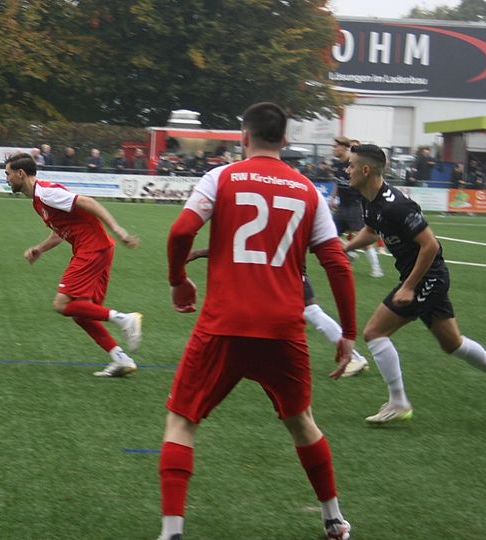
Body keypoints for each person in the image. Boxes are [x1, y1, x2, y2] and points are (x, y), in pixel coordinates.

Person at [159, 102, 356, 540]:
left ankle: (172, 532)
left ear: (243, 137)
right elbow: (337, 265)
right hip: (282, 327)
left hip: (223, 323)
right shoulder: (308, 191)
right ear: (284, 141)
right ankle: (333, 519)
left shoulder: (221, 177)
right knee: (301, 421)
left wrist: (179, 281)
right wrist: (347, 333)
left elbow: (179, 232)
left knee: (182, 421)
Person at [342, 144, 486, 425]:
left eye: (351, 165)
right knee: (452, 343)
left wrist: (409, 286)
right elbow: (371, 228)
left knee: (374, 332)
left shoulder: (397, 206)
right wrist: (348, 247)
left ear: (366, 170)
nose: (347, 170)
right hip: (423, 277)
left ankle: (398, 403)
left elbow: (430, 245)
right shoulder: (370, 199)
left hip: (428, 278)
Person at [3, 152, 143, 378]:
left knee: (61, 304)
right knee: (82, 313)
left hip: (93, 249)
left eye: (8, 174)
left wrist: (118, 229)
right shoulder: (38, 201)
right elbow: (59, 234)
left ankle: (126, 319)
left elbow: (88, 202)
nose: (7, 179)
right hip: (97, 249)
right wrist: (39, 249)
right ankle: (121, 359)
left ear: (21, 173)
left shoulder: (46, 192)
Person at [186, 248, 370, 377]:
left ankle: (355, 357)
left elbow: (238, 246)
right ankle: (247, 356)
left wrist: (199, 253)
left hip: (284, 269)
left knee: (312, 311)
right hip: (278, 268)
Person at [332, 136, 383, 278]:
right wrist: (332, 197)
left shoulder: (353, 163)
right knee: (330, 234)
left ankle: (377, 268)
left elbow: (366, 181)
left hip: (355, 205)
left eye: (336, 146)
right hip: (342, 206)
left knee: (364, 239)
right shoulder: (336, 165)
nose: (333, 149)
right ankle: (349, 253)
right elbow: (337, 182)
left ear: (343, 147)